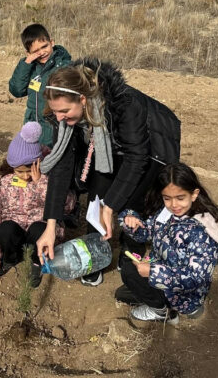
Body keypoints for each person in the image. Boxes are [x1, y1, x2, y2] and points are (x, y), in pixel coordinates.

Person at [36, 58, 181, 287]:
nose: (59, 118)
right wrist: (51, 225)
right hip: (106, 145)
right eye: (55, 112)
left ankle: (131, 249)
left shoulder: (125, 104)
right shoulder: (65, 118)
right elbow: (62, 166)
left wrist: (112, 204)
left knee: (134, 200)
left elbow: (137, 158)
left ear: (83, 100)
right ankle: (95, 258)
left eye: (64, 111)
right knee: (97, 196)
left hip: (153, 143)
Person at [117, 162, 218, 323]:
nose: (174, 205)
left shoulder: (201, 232)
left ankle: (163, 312)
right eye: (167, 198)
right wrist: (132, 222)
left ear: (194, 194)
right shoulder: (167, 213)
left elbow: (196, 278)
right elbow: (147, 232)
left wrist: (153, 272)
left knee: (129, 272)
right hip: (162, 273)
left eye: (180, 198)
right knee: (123, 292)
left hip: (183, 294)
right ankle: (159, 301)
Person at [0, 122, 75, 288]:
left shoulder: (49, 175)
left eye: (29, 170)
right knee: (4, 228)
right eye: (20, 171)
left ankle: (37, 262)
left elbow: (67, 205)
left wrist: (41, 182)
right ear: (11, 167)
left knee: (40, 229)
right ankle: (10, 258)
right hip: (14, 232)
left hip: (39, 229)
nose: (25, 176)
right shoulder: (1, 181)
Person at [8, 24, 72, 148]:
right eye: (36, 51)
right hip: (32, 126)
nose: (42, 52)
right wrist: (26, 63)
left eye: (44, 46)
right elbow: (17, 90)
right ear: (28, 53)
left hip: (55, 128)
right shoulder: (30, 68)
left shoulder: (65, 67)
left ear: (52, 42)